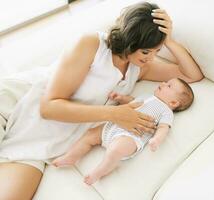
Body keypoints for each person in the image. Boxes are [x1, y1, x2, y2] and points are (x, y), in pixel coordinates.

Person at [0, 2, 203, 199]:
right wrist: (115, 114)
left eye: (157, 52)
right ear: (130, 39)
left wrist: (168, 40)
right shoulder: (92, 45)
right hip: (13, 105)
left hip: (42, 145)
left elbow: (192, 75)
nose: (151, 58)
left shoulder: (140, 66)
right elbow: (48, 107)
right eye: (146, 51)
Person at [52, 78, 194, 185]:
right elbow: (132, 102)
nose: (163, 83)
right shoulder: (146, 96)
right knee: (90, 134)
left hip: (130, 137)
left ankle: (99, 172)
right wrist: (121, 98)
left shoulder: (166, 111)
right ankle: (71, 157)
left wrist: (156, 140)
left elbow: (163, 128)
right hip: (113, 126)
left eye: (169, 86)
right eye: (166, 82)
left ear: (174, 103)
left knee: (115, 150)